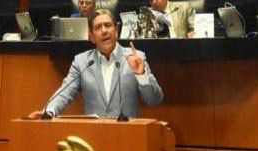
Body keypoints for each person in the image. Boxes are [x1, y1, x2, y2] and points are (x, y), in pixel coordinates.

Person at [29, 9, 163, 118]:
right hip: (94, 135)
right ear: (92, 36)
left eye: (108, 25)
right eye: (98, 27)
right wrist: (49, 111)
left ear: (116, 30)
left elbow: (154, 100)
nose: (104, 31)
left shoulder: (135, 57)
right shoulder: (82, 61)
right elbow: (65, 92)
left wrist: (141, 74)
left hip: (127, 135)